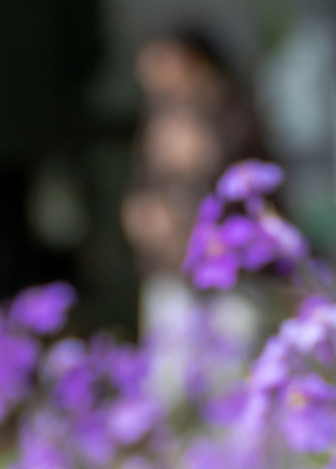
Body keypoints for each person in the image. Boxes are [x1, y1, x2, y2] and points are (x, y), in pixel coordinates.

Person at [120, 30, 267, 406]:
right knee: (168, 382)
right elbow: (143, 182)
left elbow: (254, 189)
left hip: (232, 271)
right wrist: (142, 211)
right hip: (170, 265)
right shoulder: (158, 117)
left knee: (228, 380)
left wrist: (204, 155)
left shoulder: (233, 112)